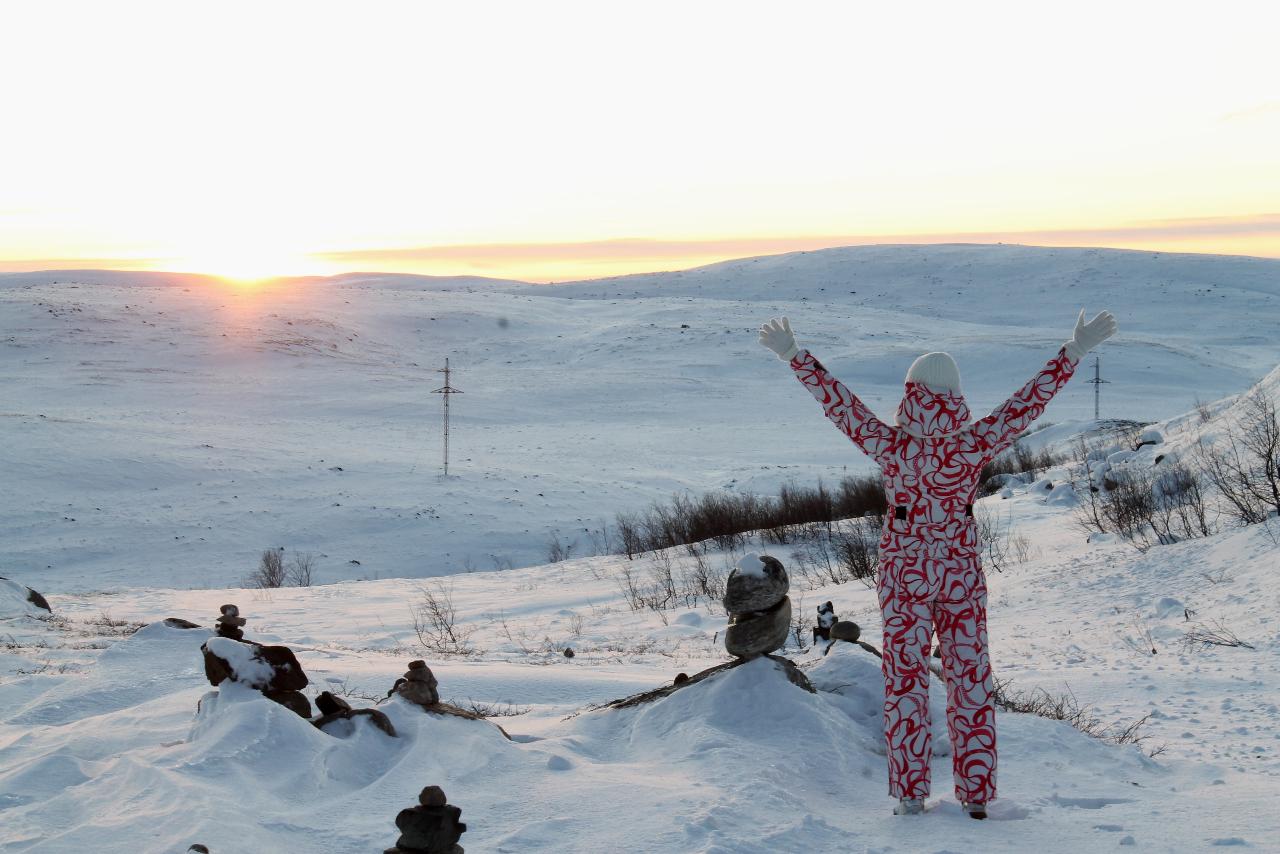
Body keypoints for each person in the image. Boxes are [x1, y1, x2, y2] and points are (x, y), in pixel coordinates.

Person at [758, 310, 1117, 819]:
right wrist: (1073, 352)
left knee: (905, 680)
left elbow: (840, 405)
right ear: (955, 395)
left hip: (904, 575)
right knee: (970, 678)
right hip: (961, 575)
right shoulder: (972, 443)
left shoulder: (890, 444)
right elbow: (1027, 403)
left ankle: (910, 794)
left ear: (910, 393)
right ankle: (976, 794)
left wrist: (795, 356)